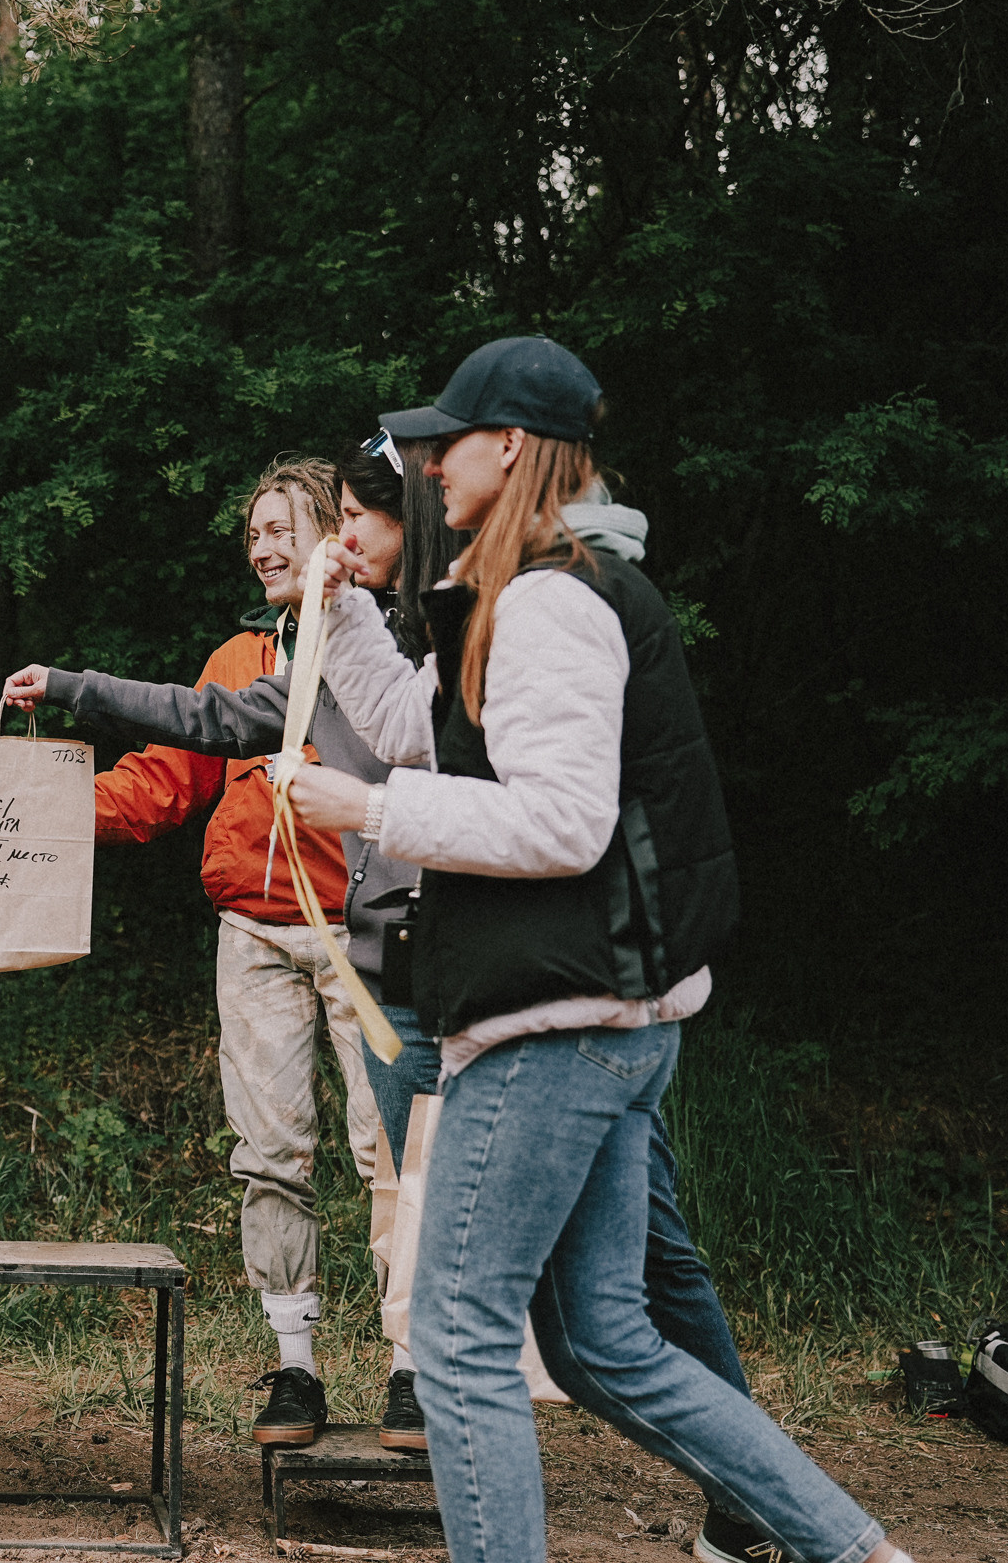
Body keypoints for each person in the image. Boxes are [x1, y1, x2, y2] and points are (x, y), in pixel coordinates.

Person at [286, 336, 910, 1563]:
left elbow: (560, 823)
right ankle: (859, 1551)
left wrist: (365, 813)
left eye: (447, 440)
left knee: (461, 1339)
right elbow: (424, 726)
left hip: (553, 1030)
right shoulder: (518, 583)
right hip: (598, 1024)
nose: (426, 465)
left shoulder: (555, 599)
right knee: (606, 1343)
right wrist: (346, 608)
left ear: (509, 444)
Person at [2, 446, 429, 1449]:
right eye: (254, 534)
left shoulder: (390, 657)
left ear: (337, 530)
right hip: (253, 935)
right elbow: (166, 774)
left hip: (365, 942)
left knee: (393, 1153)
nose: (265, 547)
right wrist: (34, 805)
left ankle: (415, 1370)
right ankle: (295, 1367)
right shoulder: (241, 661)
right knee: (271, 1155)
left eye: (284, 527)